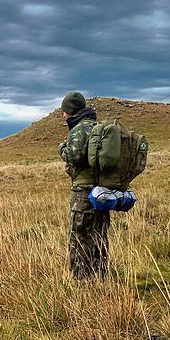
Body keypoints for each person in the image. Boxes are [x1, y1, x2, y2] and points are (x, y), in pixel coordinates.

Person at [57, 91, 110, 279]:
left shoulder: (79, 129)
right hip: (103, 192)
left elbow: (74, 157)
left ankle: (82, 283)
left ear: (71, 111)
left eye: (64, 111)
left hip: (83, 193)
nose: (63, 115)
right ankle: (101, 277)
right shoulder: (99, 127)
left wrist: (62, 147)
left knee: (79, 236)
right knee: (99, 235)